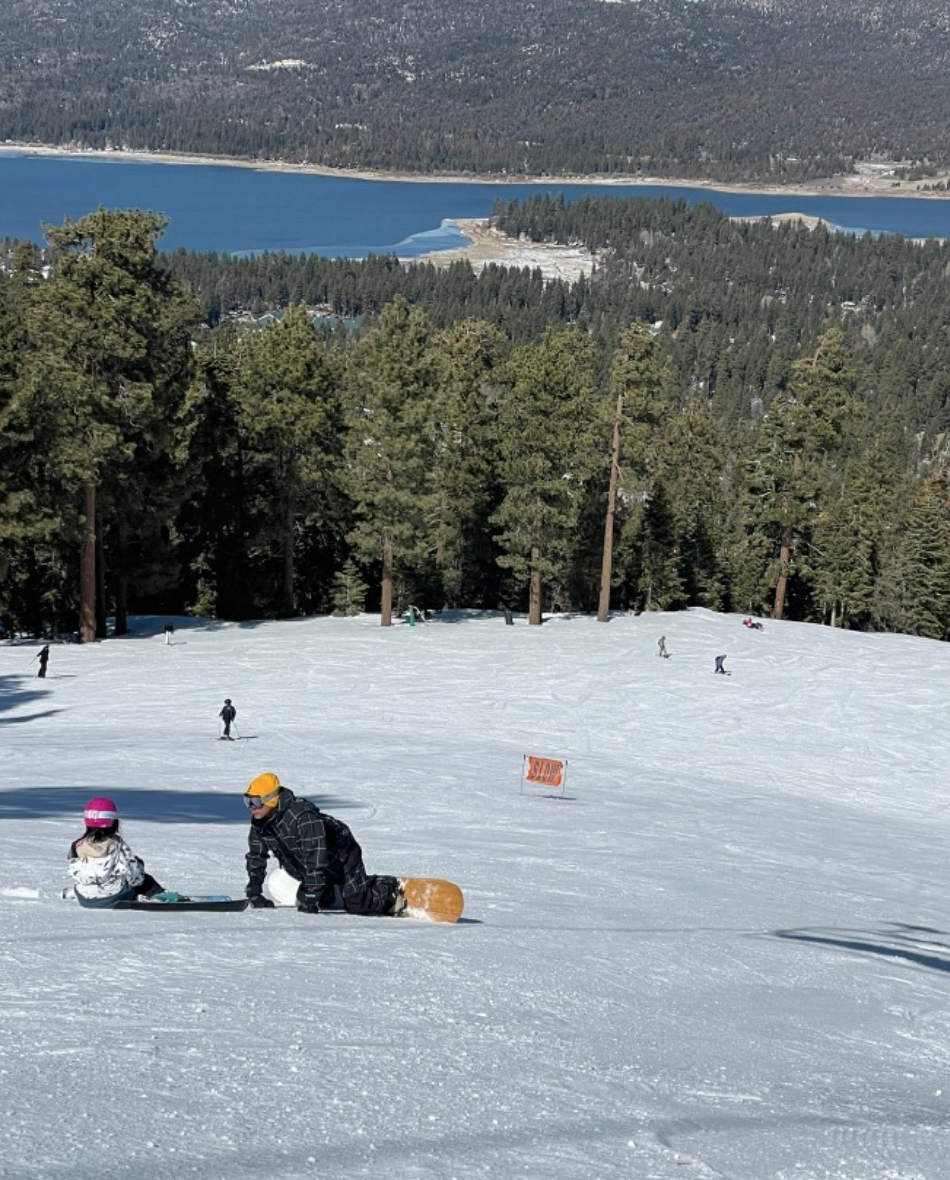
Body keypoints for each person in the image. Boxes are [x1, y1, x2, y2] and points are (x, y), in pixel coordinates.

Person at [242, 772, 405, 916]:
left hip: (342, 855)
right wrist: (254, 893)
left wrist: (312, 895)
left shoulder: (302, 817)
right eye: (247, 801)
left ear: (271, 800)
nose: (251, 807)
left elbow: (316, 857)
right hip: (307, 864)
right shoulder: (260, 823)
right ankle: (343, 887)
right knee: (320, 899)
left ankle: (388, 889)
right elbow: (256, 857)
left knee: (357, 903)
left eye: (255, 802)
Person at [67, 796, 163, 908]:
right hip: (113, 897)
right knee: (145, 879)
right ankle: (159, 895)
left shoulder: (77, 845)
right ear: (113, 821)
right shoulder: (116, 844)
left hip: (84, 898)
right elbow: (134, 873)